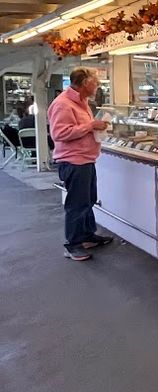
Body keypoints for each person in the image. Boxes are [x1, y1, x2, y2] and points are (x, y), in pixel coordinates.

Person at [48, 68, 113, 262]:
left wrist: (95, 125)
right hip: (73, 160)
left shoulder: (82, 102)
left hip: (86, 159)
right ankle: (73, 244)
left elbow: (79, 128)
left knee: (88, 200)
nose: (98, 86)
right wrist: (91, 126)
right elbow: (59, 134)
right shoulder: (63, 104)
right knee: (76, 204)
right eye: (96, 82)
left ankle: (86, 235)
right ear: (85, 83)